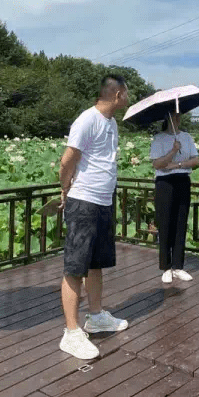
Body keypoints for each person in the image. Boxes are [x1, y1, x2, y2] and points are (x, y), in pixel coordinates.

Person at [57, 74, 131, 360]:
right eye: (127, 94)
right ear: (117, 95)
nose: (128, 98)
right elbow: (67, 160)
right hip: (84, 201)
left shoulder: (111, 124)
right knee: (75, 267)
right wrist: (66, 188)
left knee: (96, 263)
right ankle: (71, 332)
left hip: (103, 201)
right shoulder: (87, 120)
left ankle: (96, 316)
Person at [150, 113, 199, 283]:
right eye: (174, 116)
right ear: (168, 118)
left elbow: (196, 160)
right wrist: (172, 151)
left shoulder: (186, 137)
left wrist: (178, 165)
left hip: (183, 181)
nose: (177, 119)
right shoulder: (159, 138)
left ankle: (178, 266)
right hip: (164, 183)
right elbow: (157, 164)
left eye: (179, 116)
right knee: (165, 224)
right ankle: (166, 267)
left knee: (181, 222)